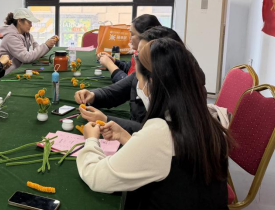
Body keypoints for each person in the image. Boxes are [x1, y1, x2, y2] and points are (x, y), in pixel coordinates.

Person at [77, 38, 237, 210]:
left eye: (140, 81)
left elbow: (97, 177)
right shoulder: (206, 119)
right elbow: (168, 164)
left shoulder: (161, 132)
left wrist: (91, 141)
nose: (139, 88)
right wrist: (126, 137)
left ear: (152, 83)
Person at [76, 26, 206, 134]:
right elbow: (116, 92)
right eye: (138, 55)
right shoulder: (146, 74)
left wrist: (106, 120)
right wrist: (93, 96)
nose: (137, 60)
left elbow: (157, 134)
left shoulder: (180, 98)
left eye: (141, 56)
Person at [98, 14, 161, 83]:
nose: (129, 38)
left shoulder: (150, 60)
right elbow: (130, 68)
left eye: (132, 34)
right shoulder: (138, 53)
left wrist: (110, 65)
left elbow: (132, 85)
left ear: (146, 36)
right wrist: (114, 61)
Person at [0, 8, 58, 74]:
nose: (31, 25)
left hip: (20, 70)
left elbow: (37, 50)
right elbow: (26, 57)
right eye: (29, 22)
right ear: (19, 21)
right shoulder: (10, 37)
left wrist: (49, 44)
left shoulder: (27, 35)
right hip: (8, 74)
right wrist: (46, 45)